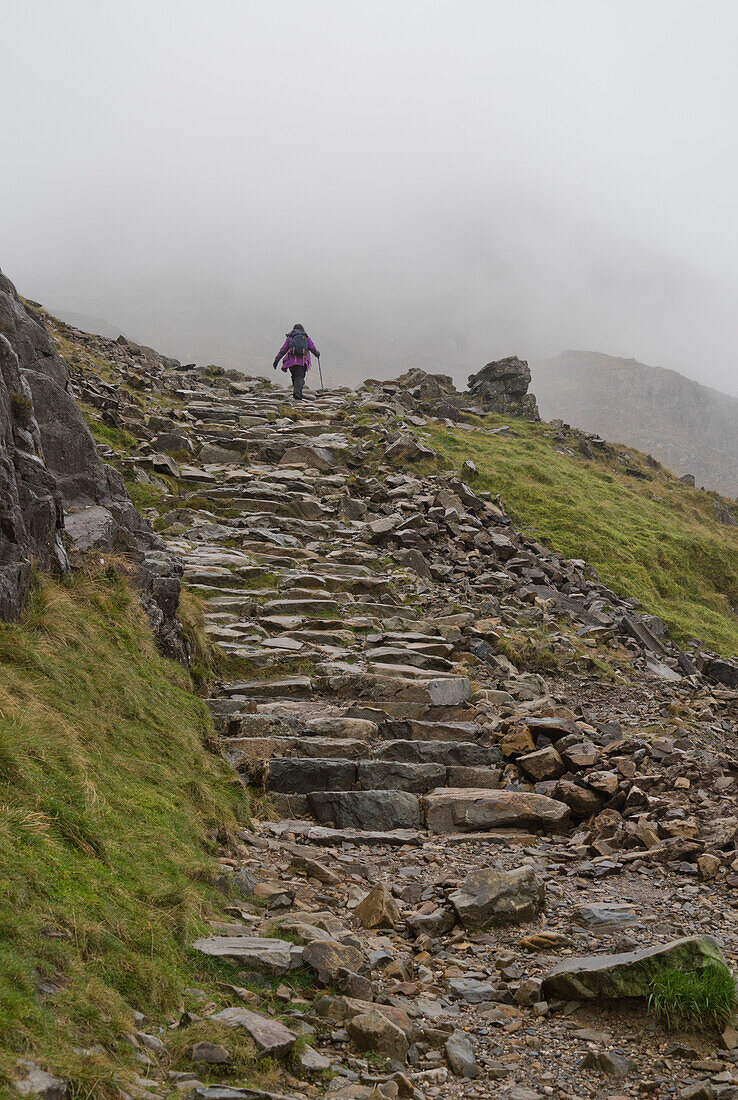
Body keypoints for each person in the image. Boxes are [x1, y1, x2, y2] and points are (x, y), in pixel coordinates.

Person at [273, 323, 320, 400]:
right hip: (302, 362)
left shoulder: (290, 338)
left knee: (294, 377)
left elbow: (283, 350)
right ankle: (297, 393)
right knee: (300, 377)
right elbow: (312, 348)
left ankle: (297, 392)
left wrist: (276, 360)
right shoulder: (306, 338)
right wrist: (317, 354)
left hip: (291, 362)